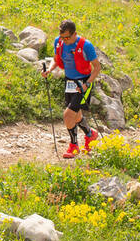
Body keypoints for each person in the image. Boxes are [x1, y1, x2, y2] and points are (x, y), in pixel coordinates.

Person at [42, 19, 101, 158]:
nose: (64, 40)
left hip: (83, 83)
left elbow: (97, 67)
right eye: (62, 37)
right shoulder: (59, 42)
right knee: (76, 114)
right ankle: (90, 134)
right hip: (69, 82)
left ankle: (74, 146)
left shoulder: (86, 45)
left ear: (75, 34)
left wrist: (87, 84)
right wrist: (49, 70)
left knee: (68, 115)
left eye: (67, 37)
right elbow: (56, 59)